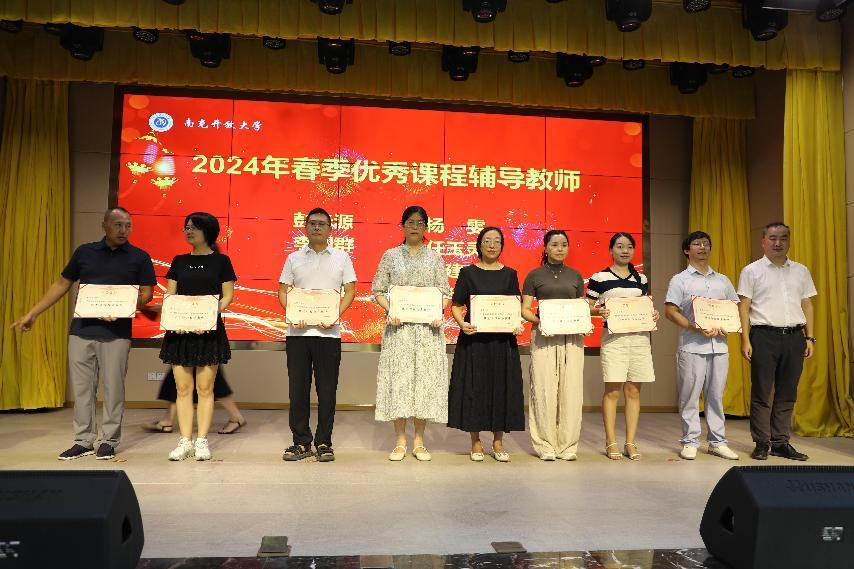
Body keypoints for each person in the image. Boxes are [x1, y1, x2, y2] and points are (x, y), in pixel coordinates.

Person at [11, 207, 155, 460]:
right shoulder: (85, 252)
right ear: (104, 225)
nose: (123, 230)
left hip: (117, 333)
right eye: (117, 224)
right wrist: (33, 313)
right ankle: (84, 440)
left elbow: (147, 294)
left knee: (114, 388)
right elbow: (61, 284)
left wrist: (121, 307)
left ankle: (108, 440)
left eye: (128, 225)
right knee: (82, 389)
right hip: (81, 331)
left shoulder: (139, 257)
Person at [372, 205, 451, 462]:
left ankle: (419, 441)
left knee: (423, 384)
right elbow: (378, 290)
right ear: (402, 225)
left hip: (428, 331)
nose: (415, 226)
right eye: (410, 222)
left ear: (426, 227)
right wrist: (391, 309)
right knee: (400, 382)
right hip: (399, 330)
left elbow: (445, 293)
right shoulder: (391, 255)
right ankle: (399, 441)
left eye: (420, 223)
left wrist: (437, 311)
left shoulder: (435, 258)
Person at [278, 207, 356, 462]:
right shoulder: (293, 258)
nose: (317, 227)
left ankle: (324, 442)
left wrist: (334, 315)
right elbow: (282, 291)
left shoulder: (342, 258)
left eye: (322, 224)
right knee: (297, 390)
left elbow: (350, 291)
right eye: (312, 223)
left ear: (330, 229)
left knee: (327, 390)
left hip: (329, 334)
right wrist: (292, 313)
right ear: (305, 227)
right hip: (298, 334)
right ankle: (301, 442)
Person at [159, 212, 236, 461]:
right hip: (180, 332)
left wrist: (209, 315)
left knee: (205, 388)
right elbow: (170, 295)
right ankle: (185, 441)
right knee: (183, 389)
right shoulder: (179, 261)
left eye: (193, 227)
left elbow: (228, 295)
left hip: (208, 331)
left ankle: (202, 441)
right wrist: (176, 319)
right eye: (186, 227)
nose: (188, 231)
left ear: (208, 231)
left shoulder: (221, 261)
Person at [737, 222, 816, 461]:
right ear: (763, 241)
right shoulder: (751, 271)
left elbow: (807, 304)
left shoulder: (801, 270)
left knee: (788, 392)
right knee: (762, 392)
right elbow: (744, 306)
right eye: (772, 238)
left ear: (789, 241)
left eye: (783, 238)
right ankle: (762, 443)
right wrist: (744, 340)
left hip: (795, 337)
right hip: (763, 336)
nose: (778, 243)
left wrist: (809, 337)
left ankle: (781, 442)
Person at [448, 226, 526, 462]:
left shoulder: (510, 274)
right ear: (479, 245)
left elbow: (515, 307)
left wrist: (517, 324)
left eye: (497, 241)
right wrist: (462, 323)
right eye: (487, 241)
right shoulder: (467, 273)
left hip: (502, 342)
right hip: (475, 341)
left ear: (502, 246)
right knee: (475, 388)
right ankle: (475, 442)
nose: (492, 245)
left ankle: (498, 441)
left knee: (501, 387)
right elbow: (456, 305)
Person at [664, 231, 740, 461]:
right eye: (697, 244)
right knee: (690, 395)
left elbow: (734, 308)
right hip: (692, 345)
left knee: (716, 396)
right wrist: (694, 327)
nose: (702, 247)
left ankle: (717, 442)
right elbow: (670, 311)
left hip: (719, 346)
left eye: (706, 244)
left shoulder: (723, 280)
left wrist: (729, 325)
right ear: (687, 250)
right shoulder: (680, 280)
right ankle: (690, 442)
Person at [586, 232, 658, 461]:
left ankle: (630, 442)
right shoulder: (599, 277)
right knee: (613, 391)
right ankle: (611, 441)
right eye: (619, 246)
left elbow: (645, 305)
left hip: (639, 339)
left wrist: (653, 313)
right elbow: (586, 307)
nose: (624, 251)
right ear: (611, 250)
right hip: (614, 339)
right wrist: (600, 311)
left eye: (629, 247)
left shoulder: (641, 279)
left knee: (634, 391)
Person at [521, 230, 586, 461]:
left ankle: (568, 445)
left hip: (572, 338)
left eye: (564, 244)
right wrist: (541, 322)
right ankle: (545, 445)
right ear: (545, 248)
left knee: (571, 390)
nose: (560, 248)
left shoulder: (576, 276)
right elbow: (525, 309)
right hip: (544, 335)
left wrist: (585, 320)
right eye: (555, 244)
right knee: (544, 389)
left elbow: (580, 308)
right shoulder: (534, 275)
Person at [141, 366, 246, 435]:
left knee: (210, 378)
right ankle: (167, 420)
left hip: (203, 341)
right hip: (188, 341)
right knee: (178, 377)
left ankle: (236, 417)